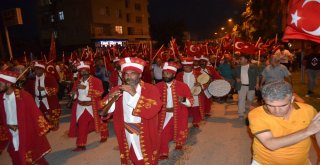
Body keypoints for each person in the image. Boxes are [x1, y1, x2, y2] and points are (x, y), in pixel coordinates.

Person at [100, 57, 162, 164]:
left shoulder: (151, 89)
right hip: (125, 131)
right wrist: (111, 99)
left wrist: (134, 94)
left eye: (132, 74)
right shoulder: (117, 89)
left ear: (140, 75)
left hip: (145, 131)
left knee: (145, 158)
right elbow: (103, 110)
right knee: (130, 156)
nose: (129, 77)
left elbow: (153, 109)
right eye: (126, 74)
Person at [248, 81, 320, 165]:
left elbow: (318, 130)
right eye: (270, 105)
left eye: (282, 106)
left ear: (292, 99)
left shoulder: (308, 110)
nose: (276, 111)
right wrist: (307, 131)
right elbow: (270, 144)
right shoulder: (256, 114)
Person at [0, 70, 51, 165]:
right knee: (16, 153)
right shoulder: (1, 97)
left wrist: (41, 128)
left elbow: (35, 113)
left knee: (26, 154)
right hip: (11, 132)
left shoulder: (24, 96)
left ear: (8, 83)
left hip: (25, 131)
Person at [156, 62, 193, 160]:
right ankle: (164, 151)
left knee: (179, 129)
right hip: (164, 115)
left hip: (179, 113)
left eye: (168, 74)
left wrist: (184, 100)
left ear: (174, 74)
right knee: (163, 132)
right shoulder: (157, 86)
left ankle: (179, 143)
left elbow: (190, 103)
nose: (165, 76)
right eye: (164, 74)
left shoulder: (183, 86)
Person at [68, 61, 108, 151]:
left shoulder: (96, 81)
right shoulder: (77, 82)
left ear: (89, 70)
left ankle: (104, 135)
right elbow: (75, 96)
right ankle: (81, 145)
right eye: (81, 71)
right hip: (81, 107)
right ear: (79, 72)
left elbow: (100, 93)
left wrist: (86, 88)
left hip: (93, 106)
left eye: (85, 70)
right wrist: (73, 93)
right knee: (82, 124)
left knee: (100, 121)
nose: (83, 72)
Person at [24, 61, 61, 131]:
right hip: (37, 99)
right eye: (35, 69)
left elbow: (56, 89)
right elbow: (27, 89)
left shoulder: (49, 77)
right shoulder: (32, 79)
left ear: (42, 70)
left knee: (52, 113)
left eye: (39, 69)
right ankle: (44, 126)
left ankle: (54, 125)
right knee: (38, 113)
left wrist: (44, 89)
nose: (37, 71)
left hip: (47, 98)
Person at [176, 57, 204, 127]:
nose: (185, 68)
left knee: (195, 108)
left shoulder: (198, 74)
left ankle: (196, 121)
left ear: (191, 66)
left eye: (187, 67)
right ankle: (184, 121)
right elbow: (176, 84)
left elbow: (205, 83)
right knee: (184, 107)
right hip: (184, 94)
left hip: (195, 94)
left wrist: (200, 85)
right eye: (184, 67)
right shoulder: (179, 75)